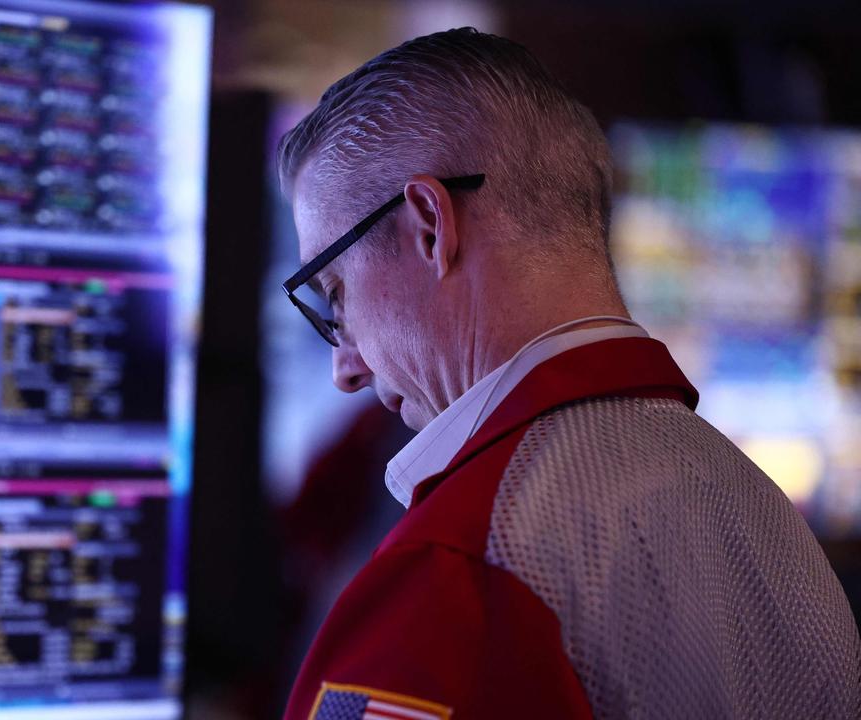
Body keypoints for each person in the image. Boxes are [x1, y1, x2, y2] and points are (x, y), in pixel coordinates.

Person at [275, 27, 861, 720]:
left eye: (334, 293)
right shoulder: (774, 528)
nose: (346, 369)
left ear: (429, 224)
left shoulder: (463, 563)